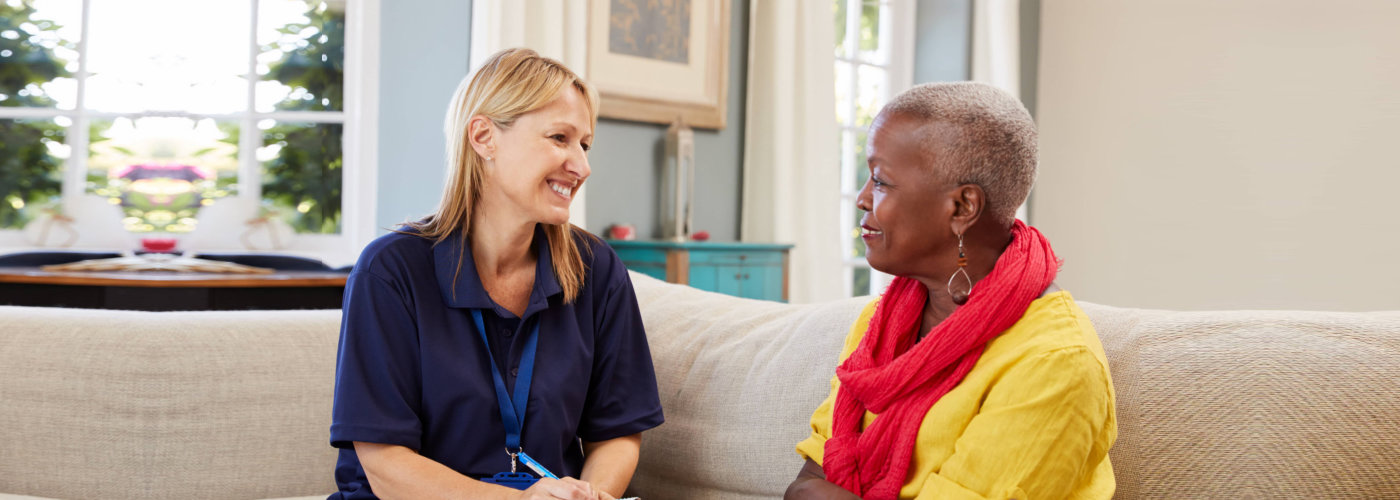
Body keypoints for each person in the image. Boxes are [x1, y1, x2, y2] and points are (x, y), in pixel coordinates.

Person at [328, 48, 663, 500]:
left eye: (584, 144)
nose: (582, 166)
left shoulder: (596, 269)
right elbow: (386, 465)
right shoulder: (390, 271)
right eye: (559, 138)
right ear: (484, 137)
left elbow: (617, 434)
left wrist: (590, 495)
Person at [784, 82, 1116, 500]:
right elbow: (808, 479)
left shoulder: (1056, 364)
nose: (863, 199)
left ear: (962, 208)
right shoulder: (884, 321)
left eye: (881, 181)